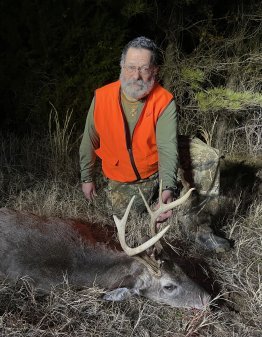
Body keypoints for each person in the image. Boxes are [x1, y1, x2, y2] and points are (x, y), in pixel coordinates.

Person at [79, 36, 230, 252]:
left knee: (207, 156)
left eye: (143, 69)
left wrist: (166, 188)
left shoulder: (164, 99)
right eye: (130, 67)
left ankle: (200, 229)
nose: (136, 76)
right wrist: (87, 177)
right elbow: (89, 140)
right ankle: (165, 192)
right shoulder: (102, 97)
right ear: (122, 66)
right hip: (124, 175)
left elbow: (167, 146)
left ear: (155, 70)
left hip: (158, 161)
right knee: (125, 225)